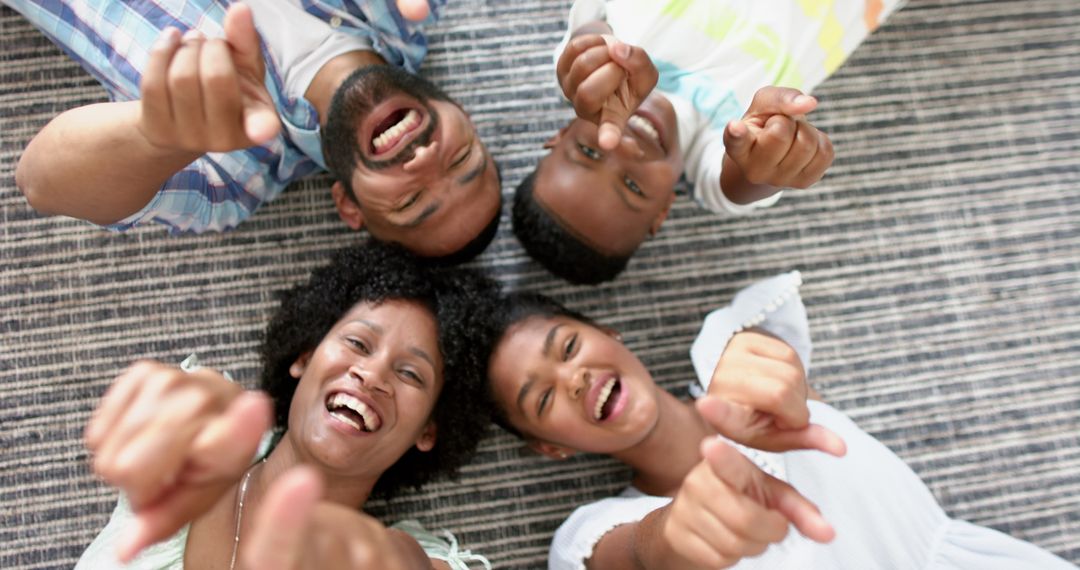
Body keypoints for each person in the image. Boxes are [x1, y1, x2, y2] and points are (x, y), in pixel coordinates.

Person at [481, 273, 1078, 569]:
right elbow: (637, 553)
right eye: (542, 399)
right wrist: (680, 527)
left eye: (566, 349)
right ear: (550, 448)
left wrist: (750, 374)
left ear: (608, 333)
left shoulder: (726, 352)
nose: (574, 379)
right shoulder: (600, 528)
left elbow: (764, 362)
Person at [77, 242, 497, 569]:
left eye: (411, 374)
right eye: (357, 343)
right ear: (305, 357)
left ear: (428, 430)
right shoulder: (209, 430)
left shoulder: (411, 557)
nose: (372, 375)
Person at [8, 0, 502, 262]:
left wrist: (161, 135)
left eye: (411, 201)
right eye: (462, 162)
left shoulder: (234, 180)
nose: (424, 161)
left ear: (350, 205)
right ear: (464, 115)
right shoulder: (405, 10)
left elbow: (42, 181)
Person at [512, 0, 904, 283]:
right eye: (632, 186)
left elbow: (589, 35)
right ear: (663, 211)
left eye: (588, 150)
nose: (626, 150)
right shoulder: (713, 163)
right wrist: (768, 159)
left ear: (561, 134)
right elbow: (744, 181)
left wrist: (594, 53)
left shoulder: (585, 79)